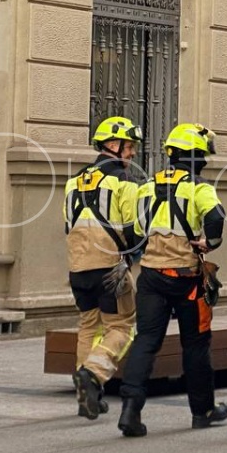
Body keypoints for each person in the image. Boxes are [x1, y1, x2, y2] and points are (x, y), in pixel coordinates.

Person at [117, 123, 227, 437]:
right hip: (187, 279)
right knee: (195, 344)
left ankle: (130, 409)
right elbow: (216, 218)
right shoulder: (199, 188)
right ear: (195, 155)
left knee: (146, 340)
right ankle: (202, 411)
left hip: (151, 277)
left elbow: (132, 233)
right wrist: (209, 243)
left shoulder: (146, 186)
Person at [63, 116, 142, 420]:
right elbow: (133, 228)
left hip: (78, 267)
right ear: (112, 144)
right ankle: (93, 375)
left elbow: (67, 225)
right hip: (110, 267)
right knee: (121, 327)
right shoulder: (124, 181)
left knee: (88, 325)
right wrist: (133, 257)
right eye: (129, 146)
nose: (132, 153)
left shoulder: (73, 181)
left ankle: (87, 396)